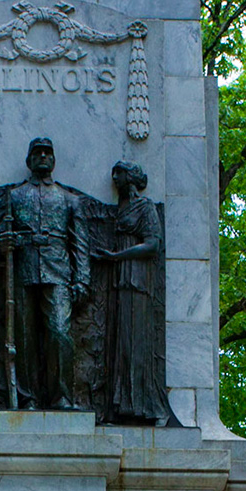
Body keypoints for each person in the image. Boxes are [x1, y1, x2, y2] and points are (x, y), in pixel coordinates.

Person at [0, 137, 90, 411]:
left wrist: (82, 279)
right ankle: (28, 398)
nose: (43, 157)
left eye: (48, 152)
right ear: (29, 160)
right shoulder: (14, 196)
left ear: (54, 159)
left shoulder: (69, 199)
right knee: (23, 338)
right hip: (23, 273)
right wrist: (0, 246)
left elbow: (79, 244)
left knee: (59, 334)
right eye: (37, 153)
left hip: (58, 273)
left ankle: (62, 396)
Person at [95, 160, 172, 425]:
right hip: (120, 283)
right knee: (121, 346)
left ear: (131, 177)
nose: (115, 178)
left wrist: (118, 256)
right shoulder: (121, 208)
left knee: (136, 345)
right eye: (113, 173)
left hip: (138, 282)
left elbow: (152, 245)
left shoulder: (146, 207)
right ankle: (121, 406)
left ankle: (147, 408)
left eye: (120, 173)